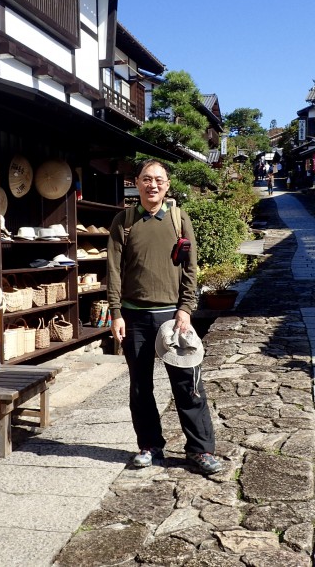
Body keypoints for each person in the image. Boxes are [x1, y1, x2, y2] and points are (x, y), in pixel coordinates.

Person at [107, 159, 222, 475]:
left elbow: (190, 269)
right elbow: (114, 270)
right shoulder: (124, 221)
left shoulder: (178, 219)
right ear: (137, 183)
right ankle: (150, 446)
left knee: (188, 384)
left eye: (158, 179)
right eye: (146, 179)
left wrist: (186, 308)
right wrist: (116, 313)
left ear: (167, 185)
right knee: (140, 387)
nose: (152, 184)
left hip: (173, 318)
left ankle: (200, 451)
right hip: (134, 318)